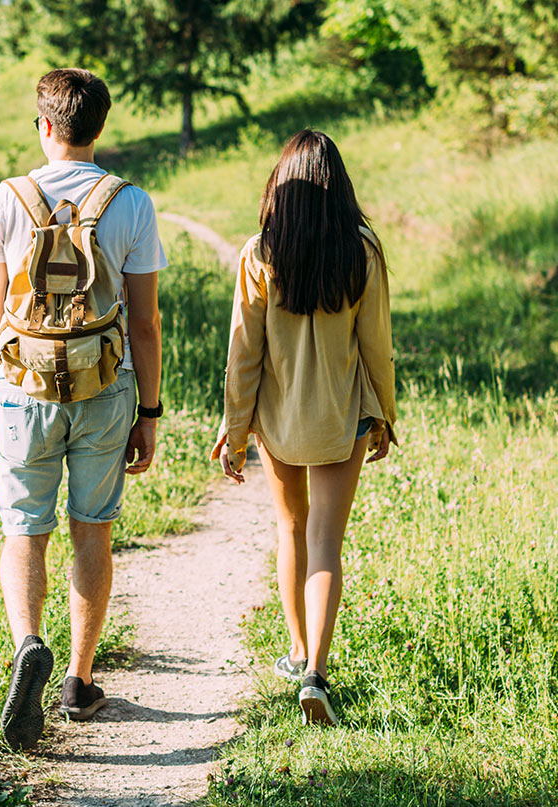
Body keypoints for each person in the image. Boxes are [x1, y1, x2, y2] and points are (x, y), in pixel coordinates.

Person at [0, 68, 165, 750]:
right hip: (104, 386)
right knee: (92, 530)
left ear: (46, 126)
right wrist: (150, 411)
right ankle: (78, 681)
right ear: (98, 128)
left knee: (24, 528)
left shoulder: (8, 199)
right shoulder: (130, 203)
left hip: (22, 388)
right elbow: (146, 324)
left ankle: (28, 643)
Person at [211, 129, 398, 726]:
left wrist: (234, 427)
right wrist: (385, 414)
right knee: (326, 542)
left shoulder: (260, 253)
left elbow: (244, 352)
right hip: (342, 416)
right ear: (338, 185)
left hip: (277, 418)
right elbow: (377, 345)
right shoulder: (362, 250)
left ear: (280, 187)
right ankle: (316, 669)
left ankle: (295, 653)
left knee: (290, 528)